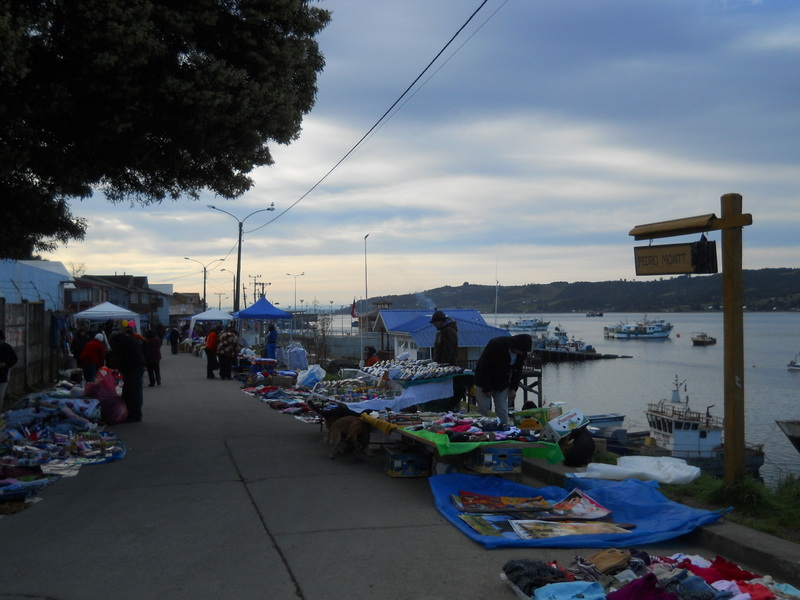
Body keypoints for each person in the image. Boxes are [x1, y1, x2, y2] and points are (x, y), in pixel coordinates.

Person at [473, 334, 532, 426]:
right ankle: (480, 430)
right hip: (484, 380)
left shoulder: (521, 353)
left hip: (502, 382)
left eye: (523, 351)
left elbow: (517, 371)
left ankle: (503, 430)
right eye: (520, 350)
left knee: (502, 410)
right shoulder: (496, 344)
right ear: (515, 345)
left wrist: (513, 388)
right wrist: (486, 387)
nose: (521, 353)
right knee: (483, 409)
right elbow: (484, 366)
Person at [429, 310, 463, 411]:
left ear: (440, 321)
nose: (434, 325)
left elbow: (448, 351)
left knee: (448, 393)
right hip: (445, 367)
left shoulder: (448, 332)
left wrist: (442, 366)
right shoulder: (443, 331)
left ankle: (450, 411)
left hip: (447, 368)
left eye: (435, 323)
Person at [110, 329, 146, 422]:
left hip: (132, 367)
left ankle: (135, 415)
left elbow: (117, 357)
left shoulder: (116, 341)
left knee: (133, 391)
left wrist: (120, 370)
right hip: (137, 365)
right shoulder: (128, 339)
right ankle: (130, 413)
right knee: (130, 390)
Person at [0, 330, 19, 403]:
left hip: (3, 374)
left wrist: (5, 364)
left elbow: (14, 359)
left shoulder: (7, 347)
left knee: (1, 394)